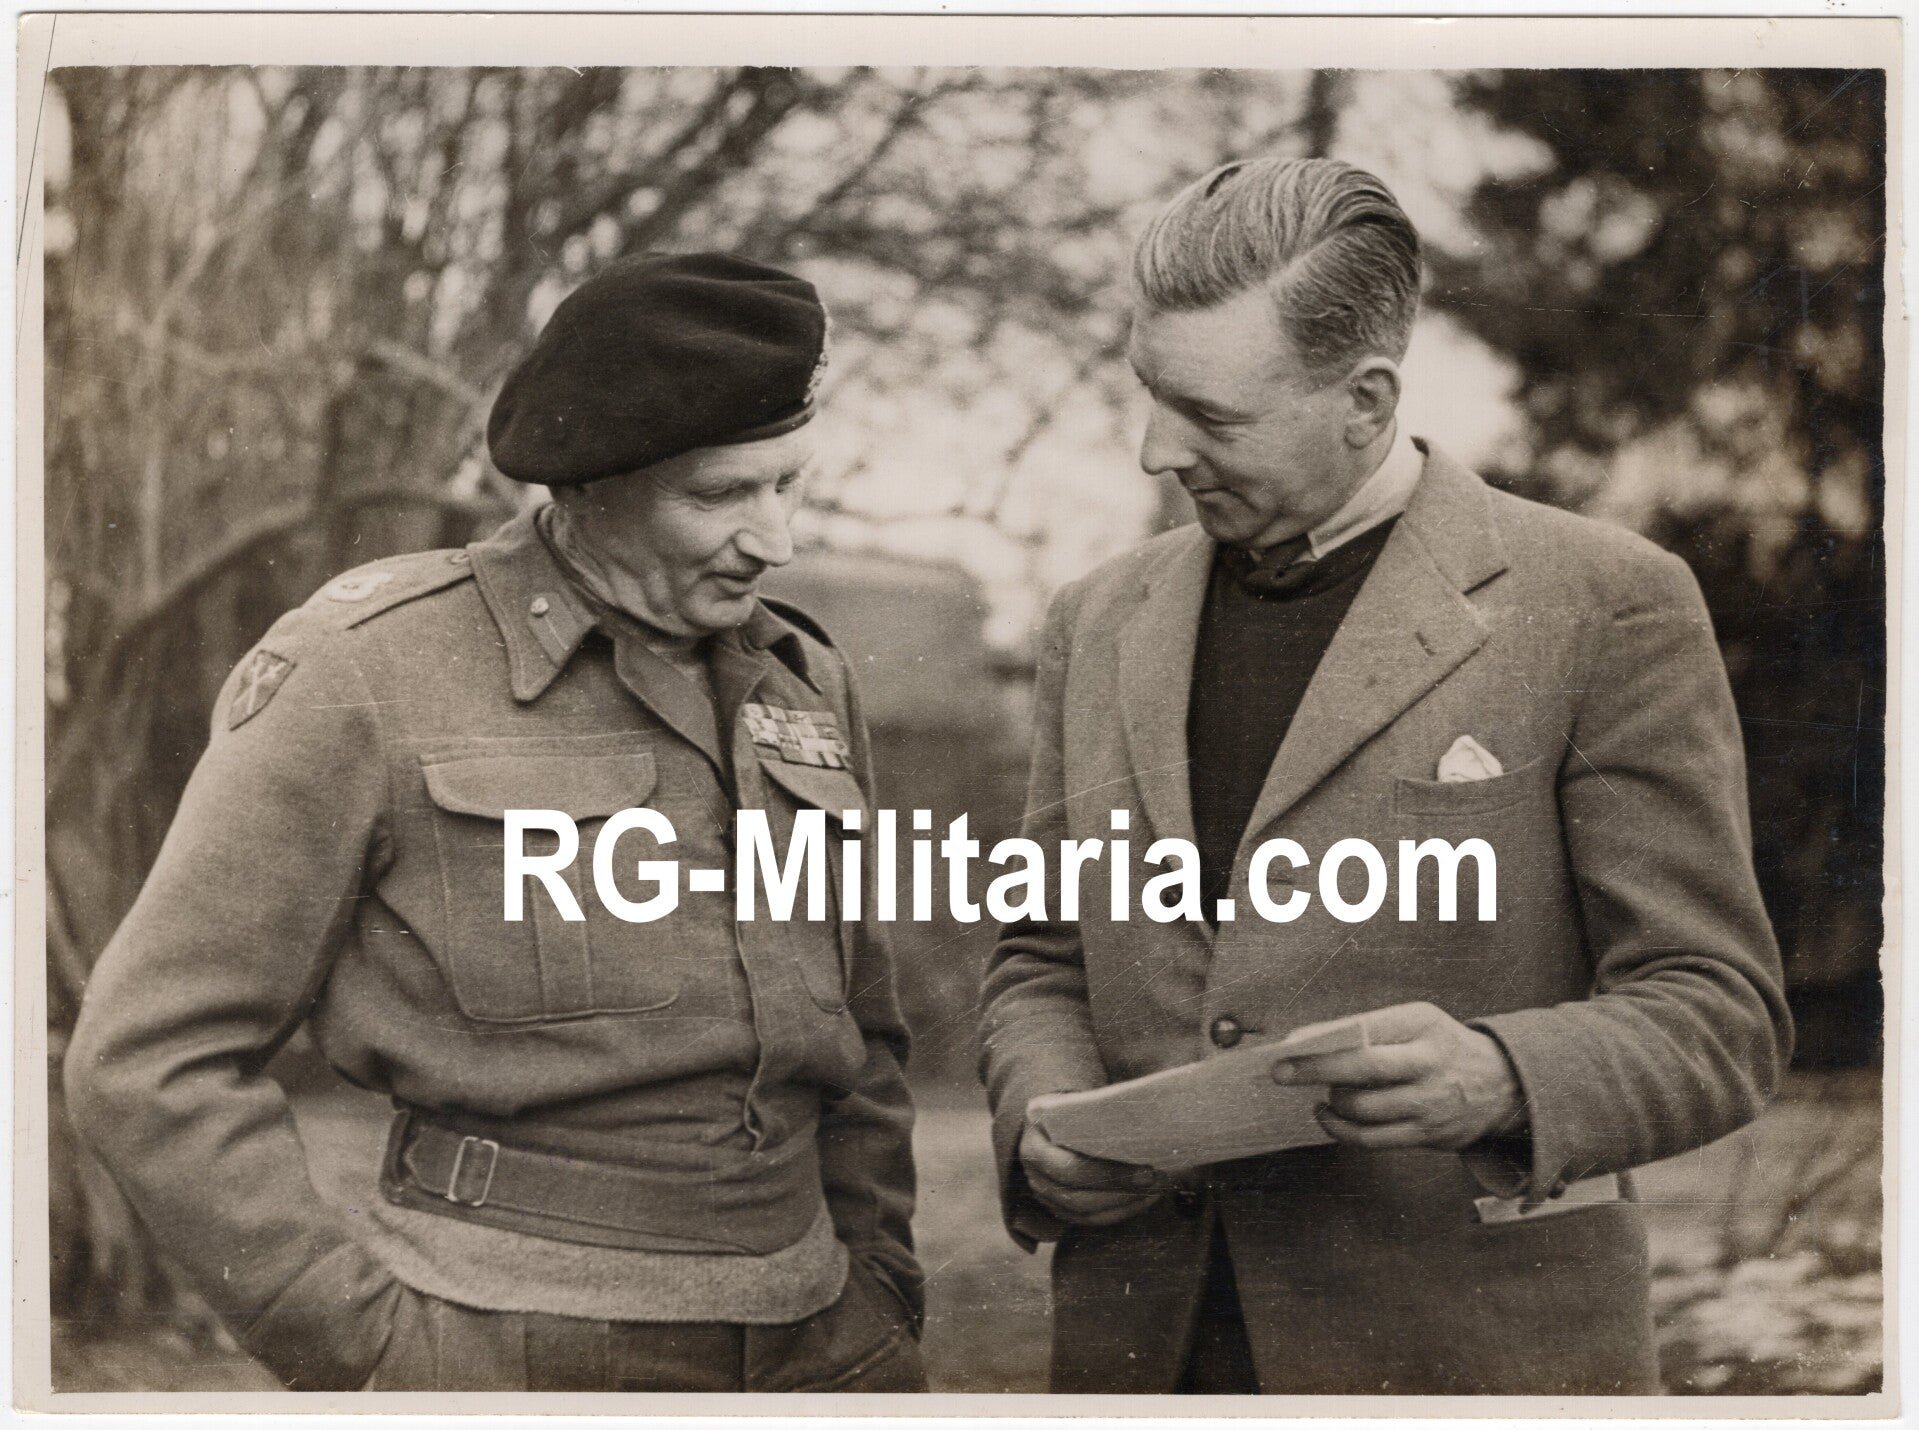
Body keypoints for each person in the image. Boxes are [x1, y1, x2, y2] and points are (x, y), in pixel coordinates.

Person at [978, 158, 1791, 1395]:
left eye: (1212, 416)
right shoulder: (1094, 620)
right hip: (1143, 1351)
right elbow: (1040, 958)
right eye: (1148, 394)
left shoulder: (1604, 604)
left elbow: (1716, 1008)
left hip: (1462, 1365)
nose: (1156, 452)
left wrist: (1500, 1073)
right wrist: (1043, 1124)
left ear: (1363, 401)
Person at [65, 252, 924, 1393]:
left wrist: (882, 1288)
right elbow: (147, 1055)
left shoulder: (800, 681)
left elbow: (863, 1040)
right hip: (511, 1343)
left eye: (788, 485)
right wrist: (357, 1342)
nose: (775, 539)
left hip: (826, 1341)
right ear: (586, 484)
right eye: (721, 495)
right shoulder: (368, 669)